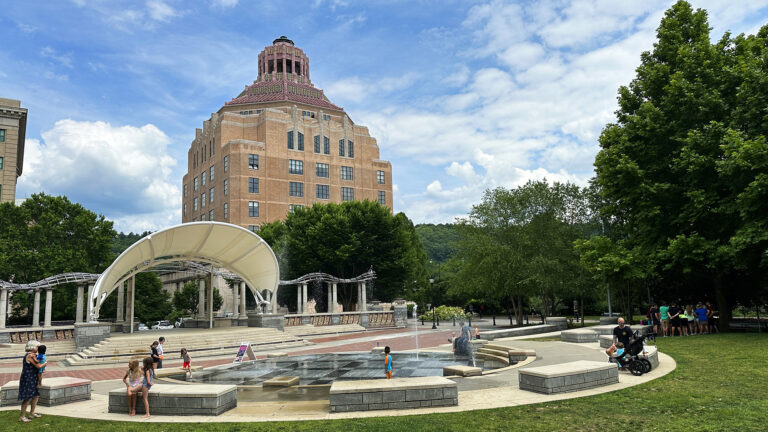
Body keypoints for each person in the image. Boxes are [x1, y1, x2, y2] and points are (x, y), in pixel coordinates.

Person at [18, 340, 46, 423]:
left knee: (36, 395)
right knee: (27, 398)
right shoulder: (29, 355)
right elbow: (38, 365)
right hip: (28, 378)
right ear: (32, 347)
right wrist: (45, 363)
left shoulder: (35, 355)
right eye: (37, 346)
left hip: (33, 377)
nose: (38, 348)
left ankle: (31, 413)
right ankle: (22, 417)